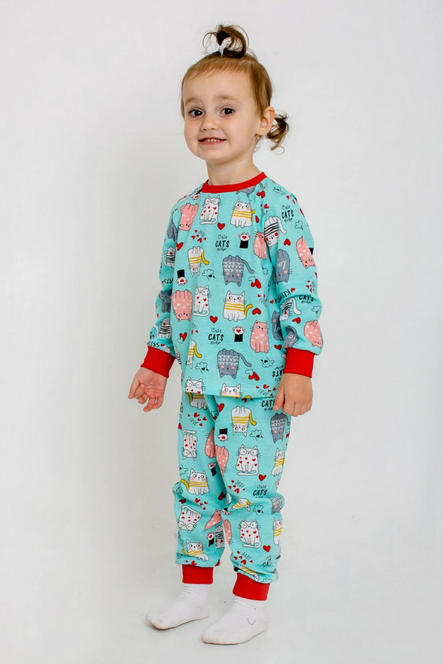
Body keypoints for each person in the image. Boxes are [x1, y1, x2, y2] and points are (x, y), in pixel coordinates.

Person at [128, 23, 324, 645]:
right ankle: (195, 589)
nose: (208, 122)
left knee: (250, 491)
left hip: (258, 387)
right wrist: (156, 362)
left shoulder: (277, 207)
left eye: (227, 109)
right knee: (194, 487)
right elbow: (171, 293)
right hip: (197, 384)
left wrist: (300, 367)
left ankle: (250, 601)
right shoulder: (184, 211)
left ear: (264, 121)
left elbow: (300, 292)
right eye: (195, 111)